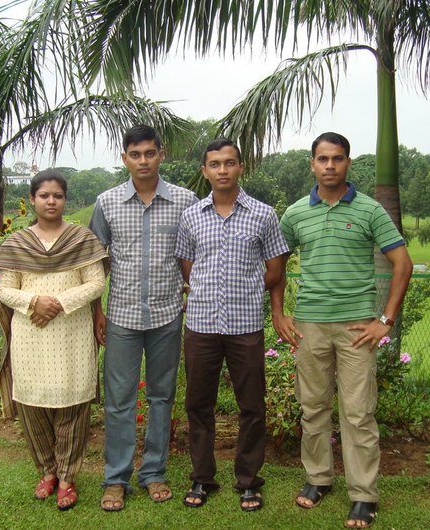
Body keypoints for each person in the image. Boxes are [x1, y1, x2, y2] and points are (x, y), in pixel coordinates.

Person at [272, 132, 412, 529]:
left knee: (358, 412)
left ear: (348, 162)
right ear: (312, 164)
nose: (330, 165)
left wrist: (385, 320)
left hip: (356, 329)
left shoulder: (369, 210)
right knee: (312, 407)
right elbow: (276, 266)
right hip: (310, 326)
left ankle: (363, 495)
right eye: (323, 159)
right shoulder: (295, 213)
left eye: (337, 158)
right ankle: (318, 478)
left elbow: (403, 264)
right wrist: (279, 314)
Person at [175, 139, 289, 512]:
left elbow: (275, 268)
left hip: (245, 325)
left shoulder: (263, 215)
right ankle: (202, 477)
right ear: (205, 171)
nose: (222, 170)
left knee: (252, 405)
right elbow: (188, 267)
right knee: (198, 404)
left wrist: (249, 290)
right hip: (202, 324)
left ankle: (249, 481)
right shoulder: (191, 216)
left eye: (229, 163)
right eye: (215, 164)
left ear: (241, 167)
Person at [89, 125, 198, 511]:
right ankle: (116, 478)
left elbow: (194, 254)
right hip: (122, 316)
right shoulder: (107, 202)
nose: (143, 161)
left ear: (160, 155)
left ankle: (153, 472)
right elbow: (95, 262)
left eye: (150, 153)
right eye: (135, 155)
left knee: (161, 396)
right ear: (125, 159)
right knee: (119, 400)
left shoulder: (185, 200)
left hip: (168, 314)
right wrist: (97, 310)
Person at [0, 169, 107, 511]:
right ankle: (47, 471)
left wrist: (57, 303)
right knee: (33, 405)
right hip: (30, 335)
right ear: (32, 199)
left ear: (65, 199)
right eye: (44, 195)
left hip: (72, 334)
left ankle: (68, 478)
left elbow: (96, 282)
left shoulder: (82, 239)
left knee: (73, 405)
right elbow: (5, 288)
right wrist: (33, 302)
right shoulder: (17, 243)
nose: (51, 201)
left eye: (57, 195)